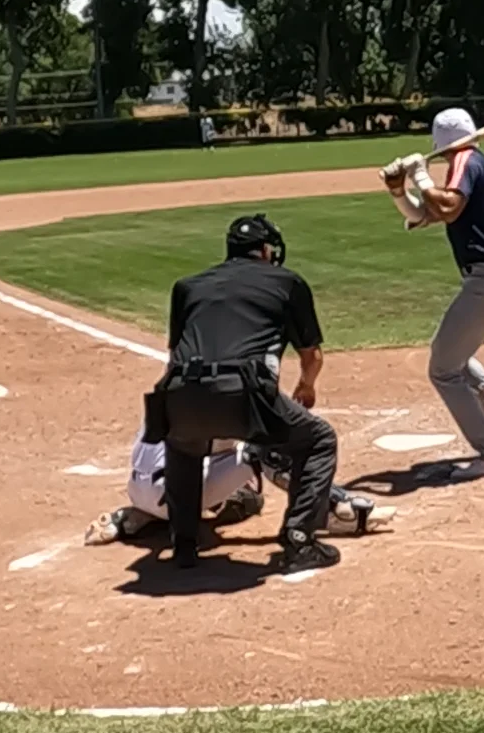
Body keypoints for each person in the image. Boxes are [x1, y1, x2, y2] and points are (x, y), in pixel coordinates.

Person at [147, 213, 342, 570]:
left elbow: (175, 355)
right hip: (244, 395)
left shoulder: (188, 286)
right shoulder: (287, 282)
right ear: (266, 250)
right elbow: (311, 357)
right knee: (318, 440)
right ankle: (300, 539)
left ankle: (185, 544)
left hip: (179, 392)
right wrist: (306, 387)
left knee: (183, 446)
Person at [394, 107, 484, 477]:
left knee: (443, 370)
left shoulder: (466, 160)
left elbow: (448, 208)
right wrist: (397, 190)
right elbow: (426, 215)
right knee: (452, 351)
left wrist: (420, 177)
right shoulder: (473, 161)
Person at [85, 433, 380, 546]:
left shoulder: (172, 380)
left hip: (137, 486)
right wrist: (335, 493)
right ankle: (334, 511)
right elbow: (275, 448)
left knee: (214, 467)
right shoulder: (232, 389)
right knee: (261, 460)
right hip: (175, 491)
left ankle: (140, 516)